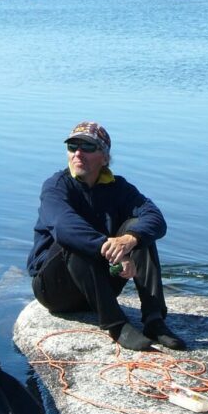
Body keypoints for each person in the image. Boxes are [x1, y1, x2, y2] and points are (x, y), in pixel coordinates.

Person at [27, 121, 186, 351]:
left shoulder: (118, 188)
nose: (78, 153)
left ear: (104, 157)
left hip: (101, 284)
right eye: (73, 147)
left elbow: (156, 219)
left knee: (139, 229)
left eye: (88, 147)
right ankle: (116, 325)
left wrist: (129, 239)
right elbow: (64, 227)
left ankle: (154, 320)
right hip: (56, 290)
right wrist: (110, 250)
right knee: (72, 241)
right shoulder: (56, 187)